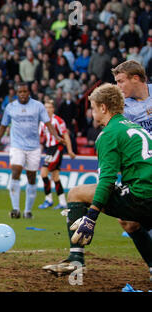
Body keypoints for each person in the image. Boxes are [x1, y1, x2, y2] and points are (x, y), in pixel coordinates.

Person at [43, 83, 152, 280]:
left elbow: (107, 181)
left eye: (93, 108)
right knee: (129, 223)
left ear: (103, 108)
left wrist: (91, 217)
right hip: (146, 190)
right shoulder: (133, 127)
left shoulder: (109, 134)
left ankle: (76, 260)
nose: (91, 113)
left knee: (76, 193)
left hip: (142, 195)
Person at [0, 83, 63, 219]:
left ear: (29, 92)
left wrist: (56, 136)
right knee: (16, 170)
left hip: (33, 147)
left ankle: (28, 211)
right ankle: (16, 209)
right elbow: (2, 126)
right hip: (17, 145)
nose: (23, 94)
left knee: (31, 177)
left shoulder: (38, 106)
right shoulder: (11, 107)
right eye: (20, 92)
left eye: (25, 91)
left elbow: (48, 123)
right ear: (17, 93)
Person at [38, 99, 76, 210]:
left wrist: (69, 150)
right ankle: (62, 202)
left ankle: (48, 200)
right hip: (48, 149)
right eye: (45, 107)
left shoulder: (58, 121)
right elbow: (40, 137)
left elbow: (66, 136)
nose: (47, 109)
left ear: (53, 109)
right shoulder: (42, 122)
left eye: (49, 107)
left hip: (57, 148)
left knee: (44, 173)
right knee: (55, 177)